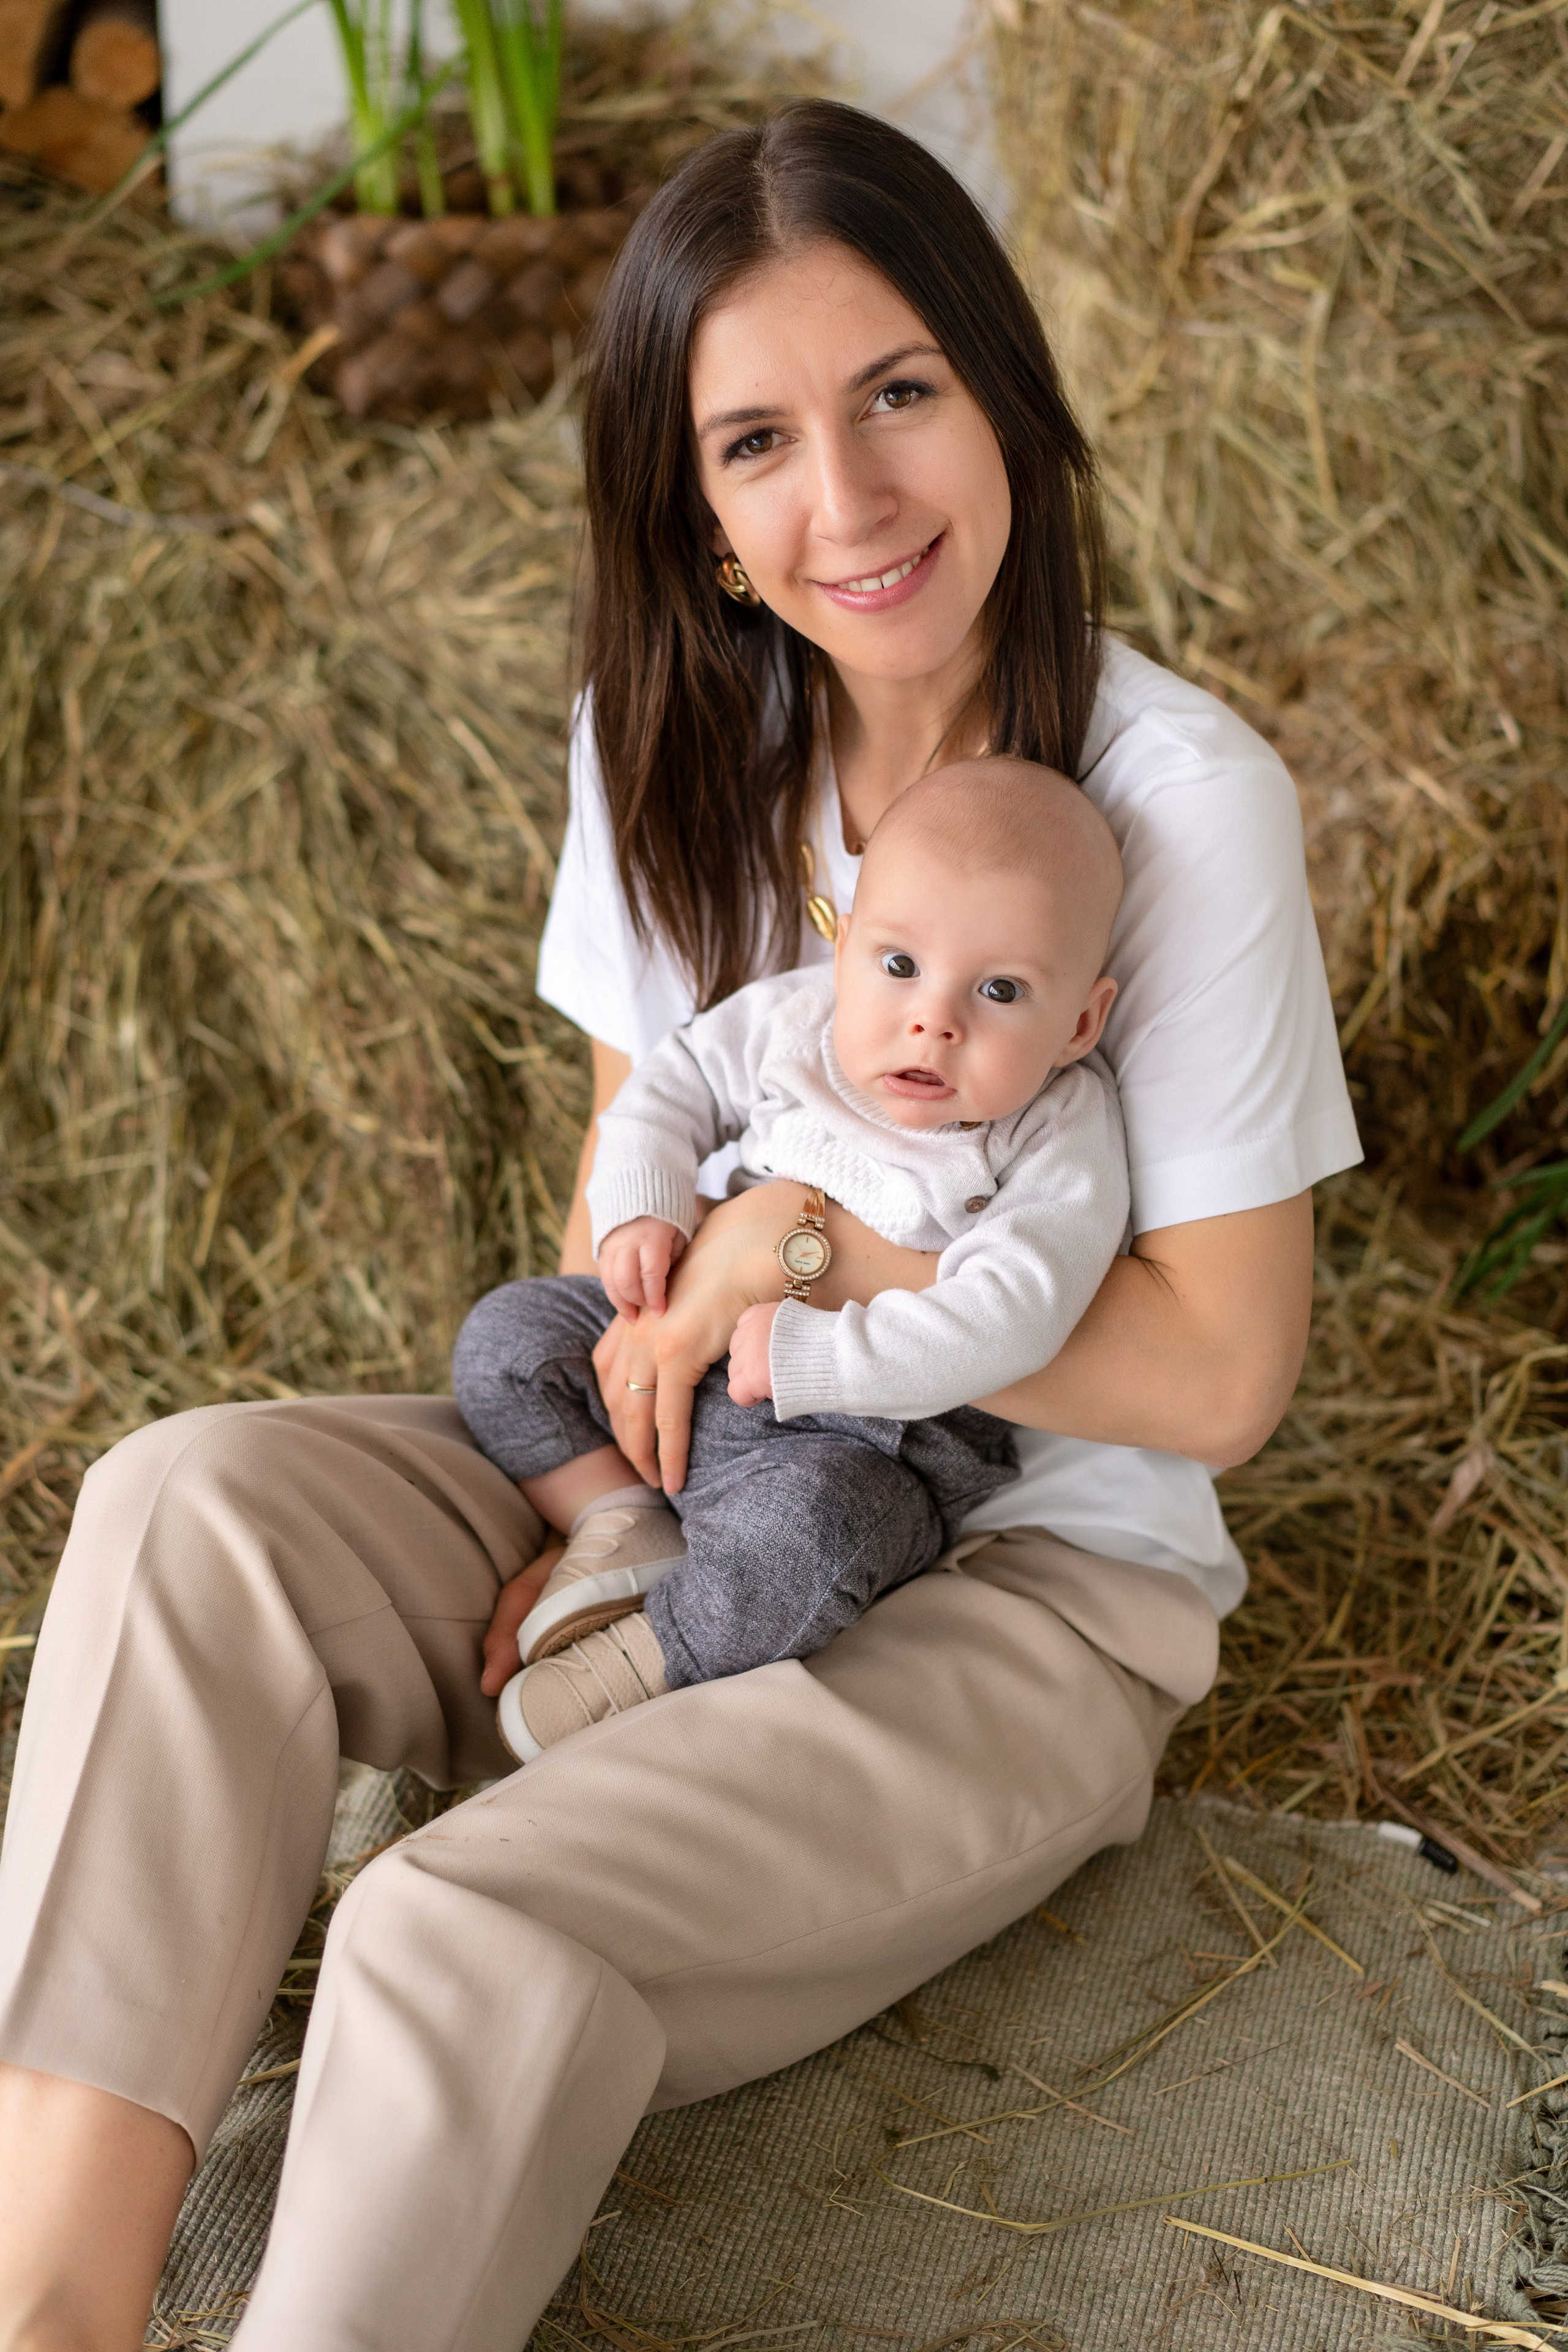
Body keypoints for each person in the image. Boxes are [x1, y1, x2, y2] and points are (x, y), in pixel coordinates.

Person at [0, 97, 1359, 2352]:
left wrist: (809, 1253)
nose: (847, 501)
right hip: (694, 1464)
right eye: (755, 443)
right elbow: (625, 1185)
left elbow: (1219, 1375)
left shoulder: (1179, 810)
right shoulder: (662, 739)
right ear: (697, 513)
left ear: (1009, 396)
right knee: (181, 1507)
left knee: (452, 1922)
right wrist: (622, 1477)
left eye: (901, 393)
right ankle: (47, 2303)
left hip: (1021, 1587)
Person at [452, 758, 1129, 1762]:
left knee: (819, 1541)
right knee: (505, 1341)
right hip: (691, 1352)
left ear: (1079, 1022)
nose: (934, 1020)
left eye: (999, 990)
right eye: (899, 966)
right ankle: (620, 1517)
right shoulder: (797, 1021)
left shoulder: (1057, 1132)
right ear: (845, 943)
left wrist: (822, 1360)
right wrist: (640, 1209)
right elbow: (666, 1085)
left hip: (866, 1439)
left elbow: (1021, 1309)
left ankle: (652, 1655)